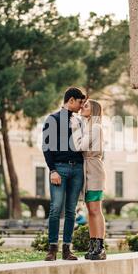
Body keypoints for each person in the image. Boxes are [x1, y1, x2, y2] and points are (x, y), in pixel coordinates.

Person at [42, 87, 86, 261]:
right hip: (59, 169)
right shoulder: (52, 119)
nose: (81, 106)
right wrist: (52, 169)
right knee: (55, 209)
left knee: (71, 212)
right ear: (71, 100)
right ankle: (52, 249)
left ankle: (67, 249)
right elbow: (46, 147)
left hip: (77, 169)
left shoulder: (79, 121)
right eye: (80, 102)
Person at [71, 99, 107, 260]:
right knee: (90, 211)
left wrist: (75, 127)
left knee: (95, 210)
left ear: (93, 110)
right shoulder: (88, 127)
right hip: (87, 170)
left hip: (94, 170)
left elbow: (80, 147)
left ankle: (100, 247)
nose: (82, 107)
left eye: (86, 106)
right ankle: (93, 245)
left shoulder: (96, 127)